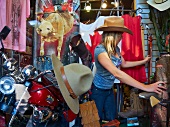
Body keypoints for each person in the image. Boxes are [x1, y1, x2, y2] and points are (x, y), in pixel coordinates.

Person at [90, 16, 166, 121]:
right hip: (99, 90)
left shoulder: (115, 49)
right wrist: (146, 87)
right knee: (96, 120)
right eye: (120, 35)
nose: (122, 37)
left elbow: (124, 64)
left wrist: (143, 61)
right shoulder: (100, 51)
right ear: (114, 35)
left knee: (112, 118)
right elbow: (117, 73)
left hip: (109, 89)